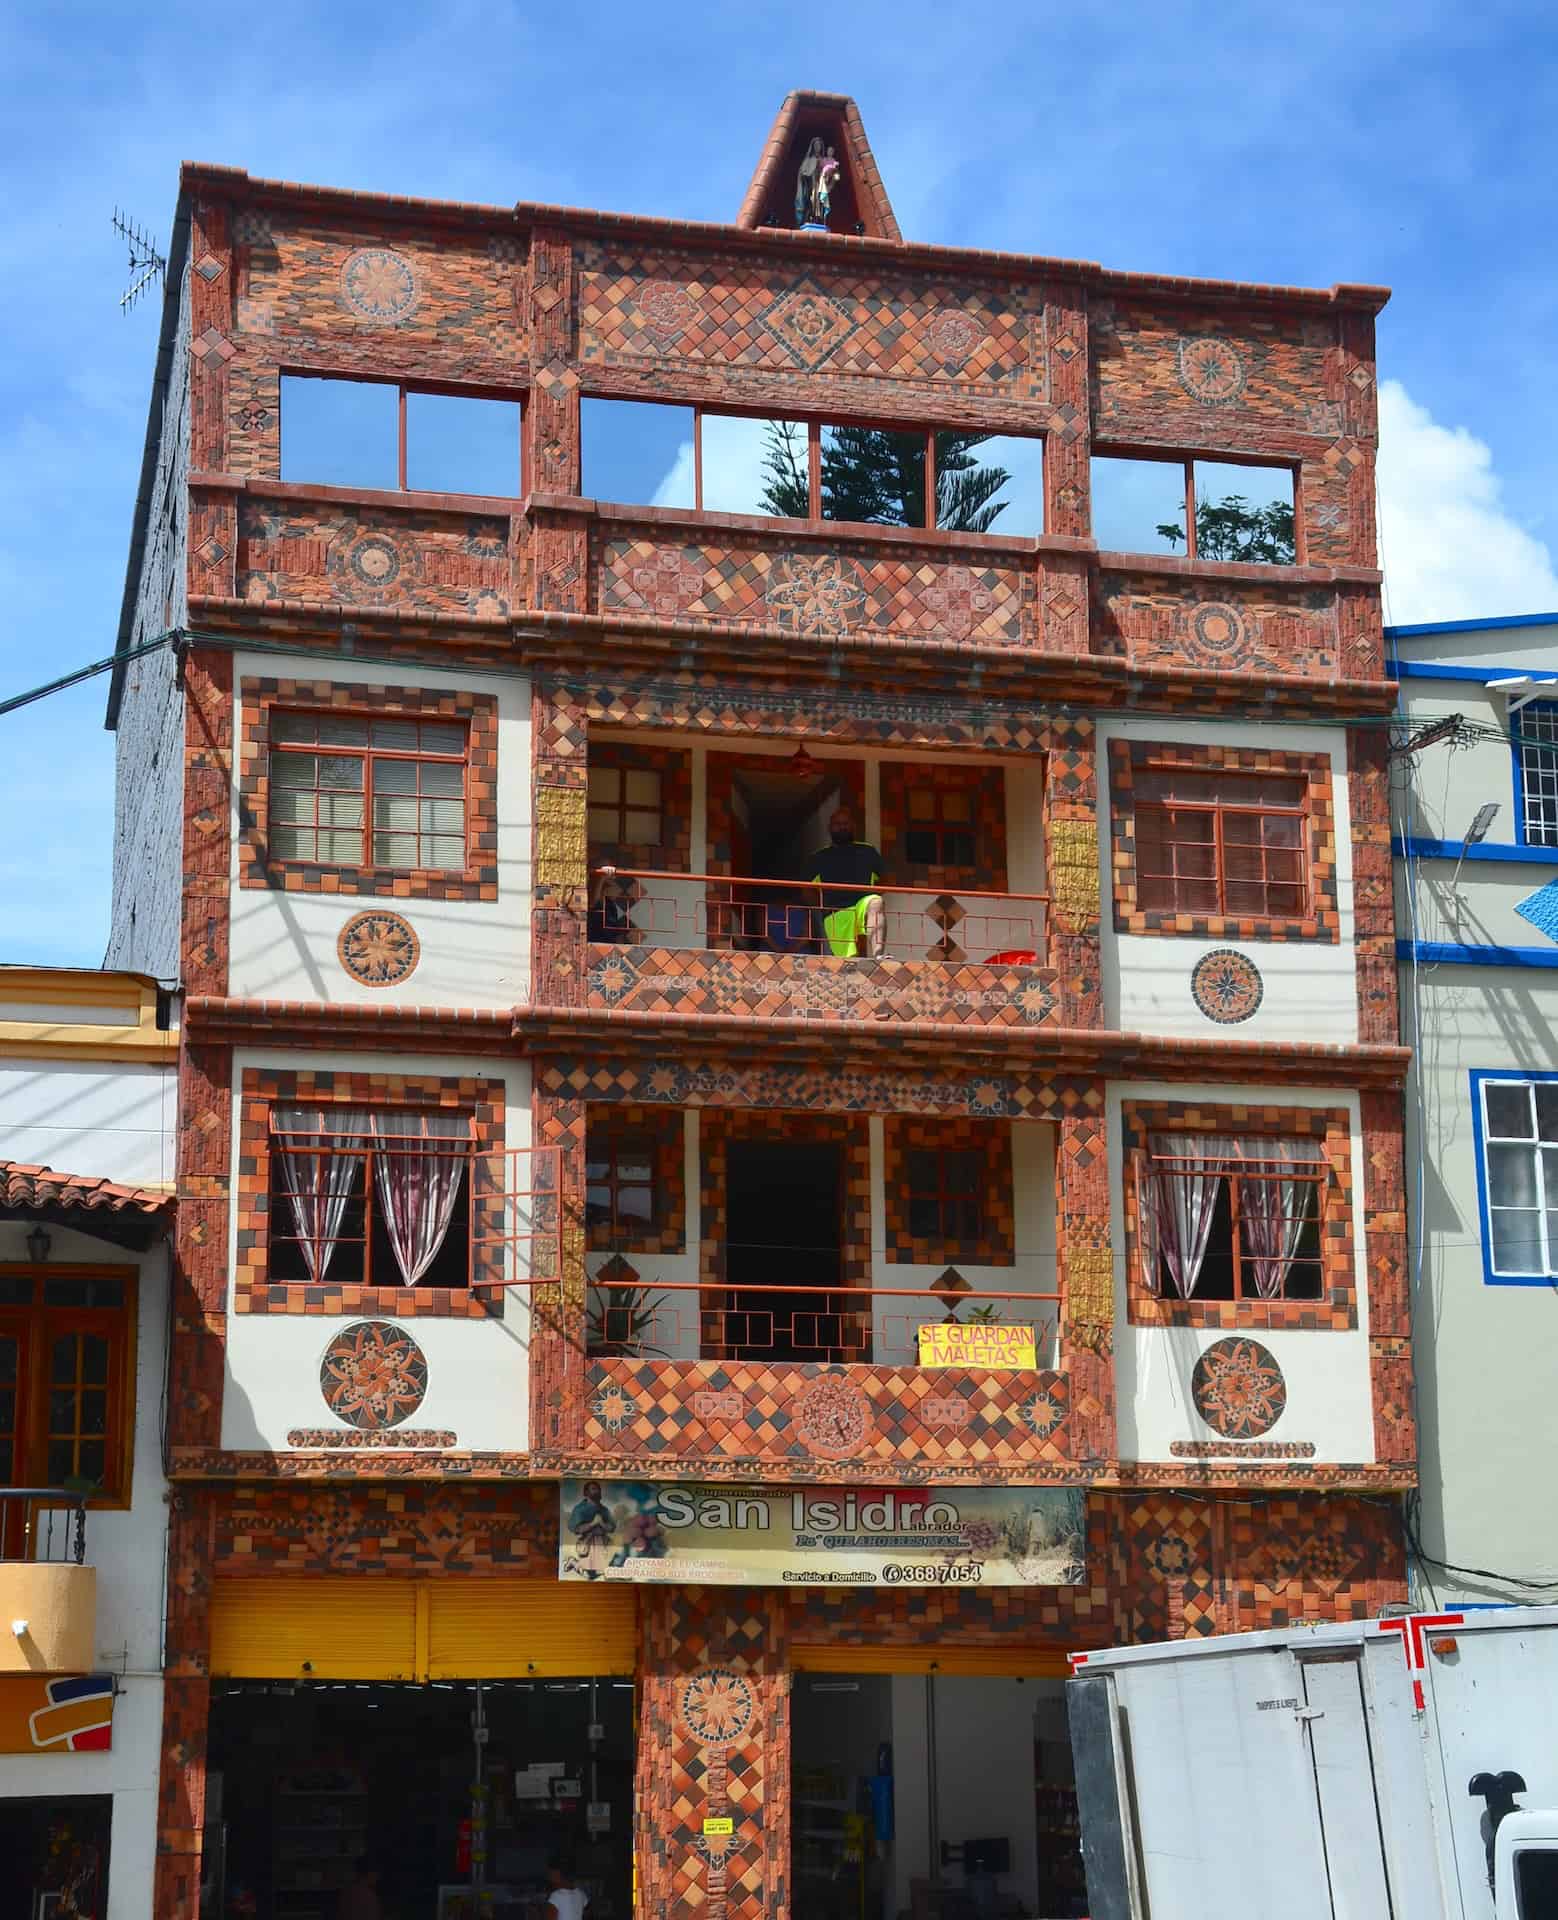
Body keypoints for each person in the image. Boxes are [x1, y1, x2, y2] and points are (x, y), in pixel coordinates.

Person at [805, 806, 885, 957]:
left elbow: (885, 878)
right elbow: (805, 888)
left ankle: (879, 955)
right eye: (837, 824)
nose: (842, 827)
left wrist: (874, 893)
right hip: (836, 913)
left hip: (863, 905)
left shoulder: (867, 851)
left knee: (876, 902)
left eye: (846, 823)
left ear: (853, 826)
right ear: (830, 828)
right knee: (847, 963)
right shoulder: (818, 857)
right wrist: (823, 908)